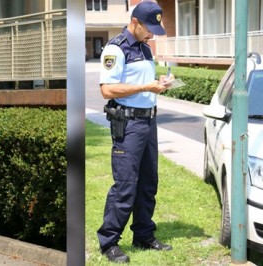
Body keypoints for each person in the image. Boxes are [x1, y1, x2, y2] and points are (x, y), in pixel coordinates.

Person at [96, 1, 174, 263]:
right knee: (125, 185)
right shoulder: (116, 48)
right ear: (135, 23)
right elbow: (107, 89)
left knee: (148, 182)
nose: (152, 34)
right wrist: (146, 88)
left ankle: (143, 235)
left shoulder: (144, 48)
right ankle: (109, 243)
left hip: (148, 123)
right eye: (148, 28)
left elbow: (141, 83)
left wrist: (159, 84)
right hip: (128, 125)